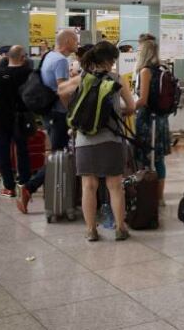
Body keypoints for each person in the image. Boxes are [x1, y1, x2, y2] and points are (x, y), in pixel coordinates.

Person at [59, 42, 134, 240]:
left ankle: (91, 230)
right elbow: (132, 106)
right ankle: (120, 229)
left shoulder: (82, 78)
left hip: (85, 139)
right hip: (112, 139)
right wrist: (119, 113)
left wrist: (72, 108)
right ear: (110, 61)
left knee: (88, 186)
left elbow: (60, 91)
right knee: (115, 186)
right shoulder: (117, 79)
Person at [17, 30, 79, 209]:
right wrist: (71, 111)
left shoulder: (49, 56)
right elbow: (62, 90)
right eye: (75, 40)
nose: (77, 44)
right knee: (60, 156)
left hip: (48, 112)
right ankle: (29, 188)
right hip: (58, 114)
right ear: (67, 41)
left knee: (58, 154)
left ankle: (50, 192)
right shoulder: (60, 60)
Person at [0, 46, 32, 198]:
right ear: (23, 57)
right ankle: (24, 184)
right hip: (22, 117)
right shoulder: (29, 74)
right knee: (22, 150)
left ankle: (9, 187)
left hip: (0, 119)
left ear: (7, 57)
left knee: (2, 152)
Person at [134, 34, 172, 206]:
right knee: (159, 159)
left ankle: (147, 193)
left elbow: (142, 100)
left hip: (148, 121)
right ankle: (160, 196)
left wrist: (127, 109)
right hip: (162, 120)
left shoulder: (145, 71)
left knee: (145, 157)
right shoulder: (163, 69)